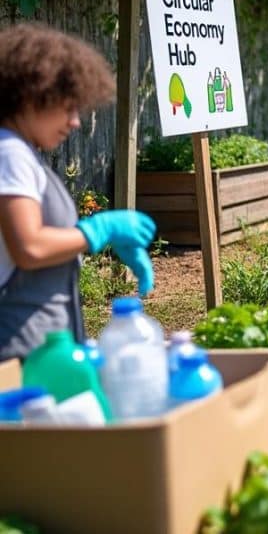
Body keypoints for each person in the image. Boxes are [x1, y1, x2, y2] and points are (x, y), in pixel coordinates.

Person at [0, 24, 156, 360]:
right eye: (68, 107)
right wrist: (98, 230)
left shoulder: (18, 151)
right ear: (30, 95)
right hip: (19, 348)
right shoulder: (9, 153)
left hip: (39, 344)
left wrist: (99, 238)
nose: (75, 123)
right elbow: (29, 247)